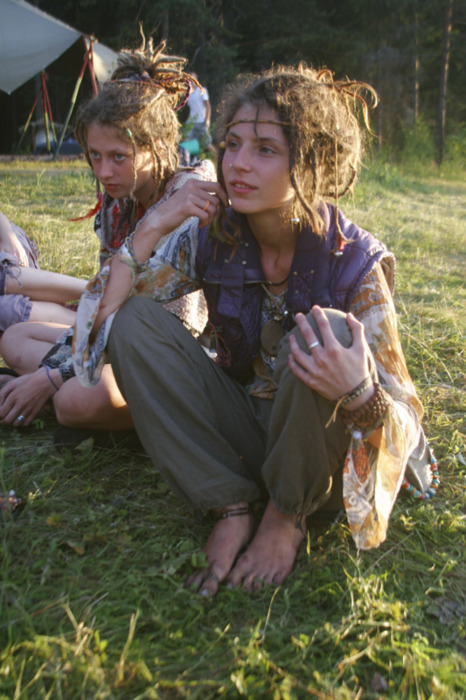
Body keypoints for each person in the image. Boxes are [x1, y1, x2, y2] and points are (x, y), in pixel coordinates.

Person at [72, 64, 435, 596]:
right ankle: (230, 504)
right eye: (233, 144)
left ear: (311, 163)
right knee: (134, 323)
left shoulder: (354, 262)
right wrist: (154, 224)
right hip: (245, 438)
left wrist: (360, 392)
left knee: (327, 333)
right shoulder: (213, 235)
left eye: (265, 149)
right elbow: (102, 318)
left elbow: (407, 425)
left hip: (322, 456)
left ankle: (286, 517)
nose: (238, 164)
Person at [0, 37, 222, 434]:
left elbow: (172, 330)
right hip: (118, 341)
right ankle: (50, 398)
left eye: (119, 156)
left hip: (180, 356)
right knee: (16, 338)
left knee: (76, 399)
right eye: (95, 156)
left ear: (158, 146)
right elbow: (104, 297)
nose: (104, 172)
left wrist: (54, 375)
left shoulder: (187, 199)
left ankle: (52, 400)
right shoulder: (119, 197)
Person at [0, 209, 86, 332]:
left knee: (6, 278)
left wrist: (8, 235)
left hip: (7, 250)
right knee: (5, 312)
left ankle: (99, 291)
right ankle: (91, 321)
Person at [185, 72, 213, 150]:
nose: (191, 81)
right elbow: (191, 109)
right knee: (189, 145)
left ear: (196, 80)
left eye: (192, 79)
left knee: (207, 145)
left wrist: (207, 120)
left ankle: (217, 156)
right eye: (189, 79)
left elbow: (208, 106)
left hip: (201, 121)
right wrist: (187, 122)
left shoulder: (202, 90)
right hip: (191, 123)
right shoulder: (188, 94)